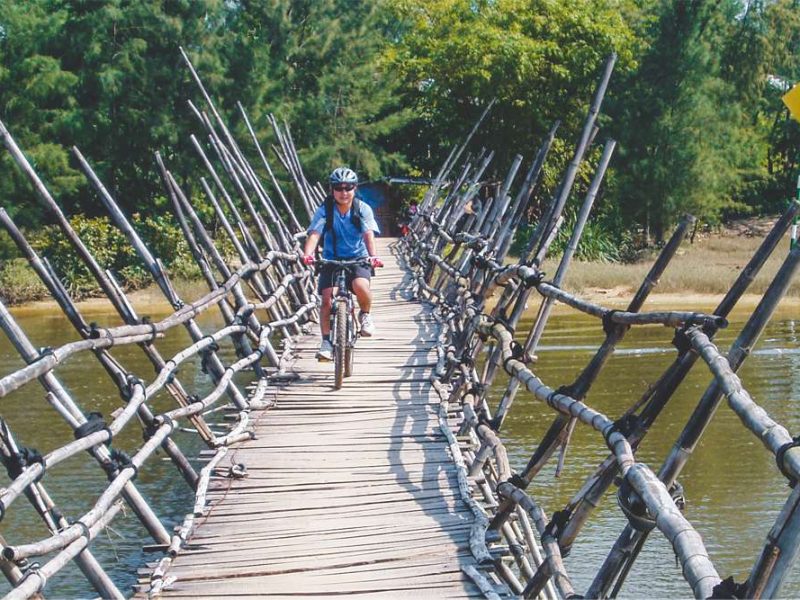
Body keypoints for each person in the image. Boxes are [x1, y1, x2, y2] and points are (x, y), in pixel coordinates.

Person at [303, 167, 383, 361]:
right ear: (332, 190)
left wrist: (373, 256)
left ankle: (365, 315)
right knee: (326, 299)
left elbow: (368, 234)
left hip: (358, 258)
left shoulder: (362, 209)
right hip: (331, 258)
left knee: (360, 285)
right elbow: (315, 234)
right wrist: (308, 254)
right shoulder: (325, 210)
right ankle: (325, 342)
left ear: (355, 188)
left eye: (348, 188)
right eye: (339, 188)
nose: (343, 192)